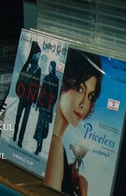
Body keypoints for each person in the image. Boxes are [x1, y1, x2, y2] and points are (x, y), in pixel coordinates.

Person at [44, 50, 103, 196]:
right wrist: (83, 193)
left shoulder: (53, 142)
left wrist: (64, 173)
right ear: (64, 83)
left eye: (90, 96)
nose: (84, 104)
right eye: (79, 89)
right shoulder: (55, 146)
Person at [13, 40, 41, 149]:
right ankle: (15, 134)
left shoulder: (38, 69)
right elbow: (20, 78)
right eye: (37, 55)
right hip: (23, 97)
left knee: (25, 121)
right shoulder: (27, 66)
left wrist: (35, 101)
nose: (38, 57)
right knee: (18, 117)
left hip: (30, 98)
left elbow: (37, 85)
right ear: (33, 55)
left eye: (39, 55)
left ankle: (20, 140)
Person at [33, 60, 59, 155]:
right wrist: (38, 104)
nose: (49, 68)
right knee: (40, 127)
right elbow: (42, 91)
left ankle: (40, 146)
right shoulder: (46, 77)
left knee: (45, 128)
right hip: (42, 106)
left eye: (50, 66)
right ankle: (38, 147)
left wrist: (50, 106)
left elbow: (55, 95)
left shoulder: (56, 80)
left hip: (48, 108)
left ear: (53, 67)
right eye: (49, 66)